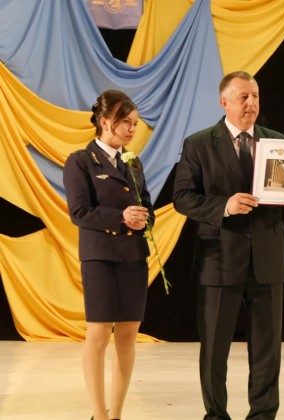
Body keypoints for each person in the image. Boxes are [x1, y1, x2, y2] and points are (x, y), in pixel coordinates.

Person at [173, 71, 284, 420]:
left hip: (267, 258)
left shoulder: (279, 143)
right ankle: (215, 415)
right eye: (243, 97)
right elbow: (182, 197)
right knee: (214, 349)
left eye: (255, 96)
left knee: (267, 348)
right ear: (224, 102)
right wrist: (224, 205)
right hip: (219, 258)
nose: (251, 103)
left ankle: (263, 414)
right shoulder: (199, 144)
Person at [63, 90, 154, 420]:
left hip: (133, 257)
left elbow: (148, 207)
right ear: (104, 122)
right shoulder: (80, 161)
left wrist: (144, 219)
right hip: (100, 257)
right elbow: (79, 212)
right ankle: (98, 415)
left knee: (128, 336)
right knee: (99, 335)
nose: (132, 129)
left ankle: (116, 414)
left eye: (135, 123)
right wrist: (121, 217)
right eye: (125, 122)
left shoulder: (134, 161)